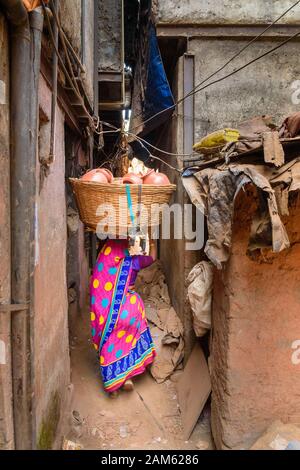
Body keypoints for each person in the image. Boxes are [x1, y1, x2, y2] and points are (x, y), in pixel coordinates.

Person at [90, 236, 157, 395]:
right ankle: (127, 375)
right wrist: (152, 239)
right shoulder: (133, 262)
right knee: (136, 304)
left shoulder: (103, 257)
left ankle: (112, 381)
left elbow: (97, 292)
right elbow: (152, 257)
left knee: (110, 340)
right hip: (128, 313)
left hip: (103, 316)